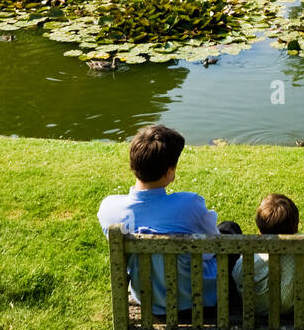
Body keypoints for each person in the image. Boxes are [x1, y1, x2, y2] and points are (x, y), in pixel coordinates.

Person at [97, 124, 241, 315]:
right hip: (197, 299)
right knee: (229, 229)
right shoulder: (189, 204)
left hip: (148, 300)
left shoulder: (109, 209)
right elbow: (212, 249)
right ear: (169, 172)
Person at [232, 193, 304, 325]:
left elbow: (237, 276)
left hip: (259, 309)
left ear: (260, 230)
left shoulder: (251, 259)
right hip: (290, 309)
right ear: (295, 227)